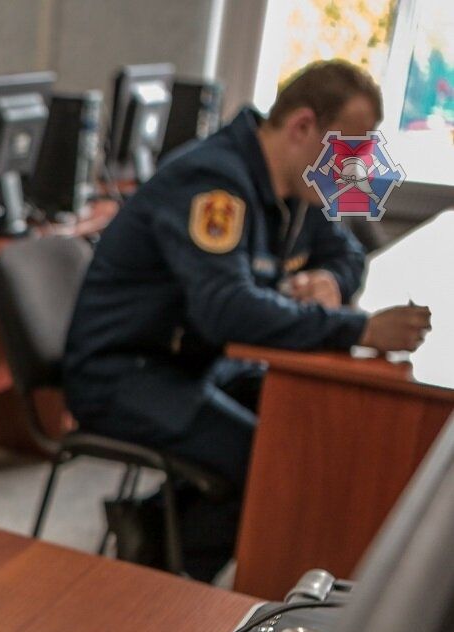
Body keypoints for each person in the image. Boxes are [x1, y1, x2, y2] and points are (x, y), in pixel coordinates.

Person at [63, 60, 431, 580]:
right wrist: (359, 329)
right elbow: (227, 311)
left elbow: (347, 254)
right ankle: (166, 580)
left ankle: (148, 523)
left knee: (306, 423)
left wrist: (331, 280)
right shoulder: (213, 182)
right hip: (123, 372)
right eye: (350, 145)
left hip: (193, 363)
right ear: (303, 127)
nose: (356, 163)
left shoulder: (299, 187)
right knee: (270, 460)